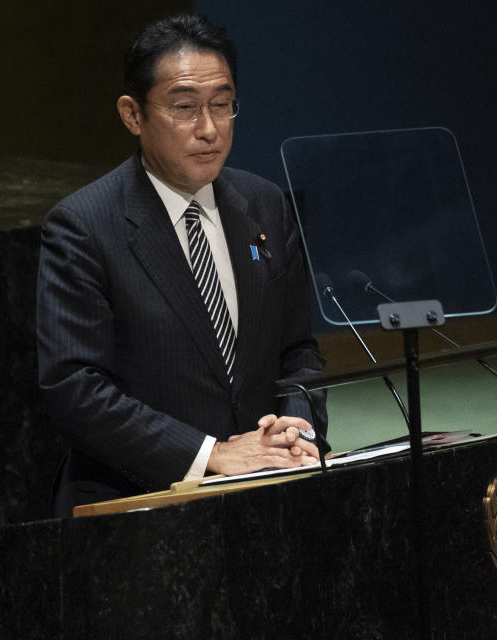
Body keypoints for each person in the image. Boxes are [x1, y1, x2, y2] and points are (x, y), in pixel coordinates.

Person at [37, 14, 327, 517]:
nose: (209, 129)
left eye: (222, 105)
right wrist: (210, 455)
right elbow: (75, 389)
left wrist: (296, 430)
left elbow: (298, 351)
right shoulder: (83, 226)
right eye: (185, 108)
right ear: (133, 114)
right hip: (136, 507)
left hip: (265, 496)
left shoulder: (266, 206)